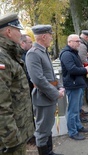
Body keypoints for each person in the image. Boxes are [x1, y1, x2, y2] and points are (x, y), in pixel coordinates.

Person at [25, 25, 65, 155]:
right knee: (42, 130)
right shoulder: (33, 53)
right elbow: (38, 80)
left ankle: (49, 152)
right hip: (43, 97)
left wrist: (60, 86)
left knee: (48, 126)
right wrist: (55, 93)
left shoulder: (43, 51)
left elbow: (51, 74)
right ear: (44, 36)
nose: (51, 38)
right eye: (50, 35)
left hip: (49, 96)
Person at [0, 12, 34, 154]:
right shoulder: (2, 57)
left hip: (18, 129)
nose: (20, 33)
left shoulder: (9, 54)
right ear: (9, 31)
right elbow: (1, 105)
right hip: (12, 137)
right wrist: (12, 140)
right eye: (18, 30)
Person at [59, 34, 88, 140]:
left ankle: (78, 126)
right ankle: (72, 132)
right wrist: (85, 70)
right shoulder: (66, 54)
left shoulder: (73, 52)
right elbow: (71, 69)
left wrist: (83, 67)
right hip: (72, 85)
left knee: (77, 108)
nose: (79, 43)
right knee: (72, 110)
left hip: (78, 83)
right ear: (70, 42)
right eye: (77, 41)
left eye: (79, 41)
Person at [77, 30, 88, 123]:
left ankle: (80, 111)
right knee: (80, 95)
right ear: (86, 37)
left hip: (79, 72)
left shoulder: (80, 44)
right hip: (81, 73)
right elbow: (83, 60)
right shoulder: (82, 45)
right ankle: (79, 113)